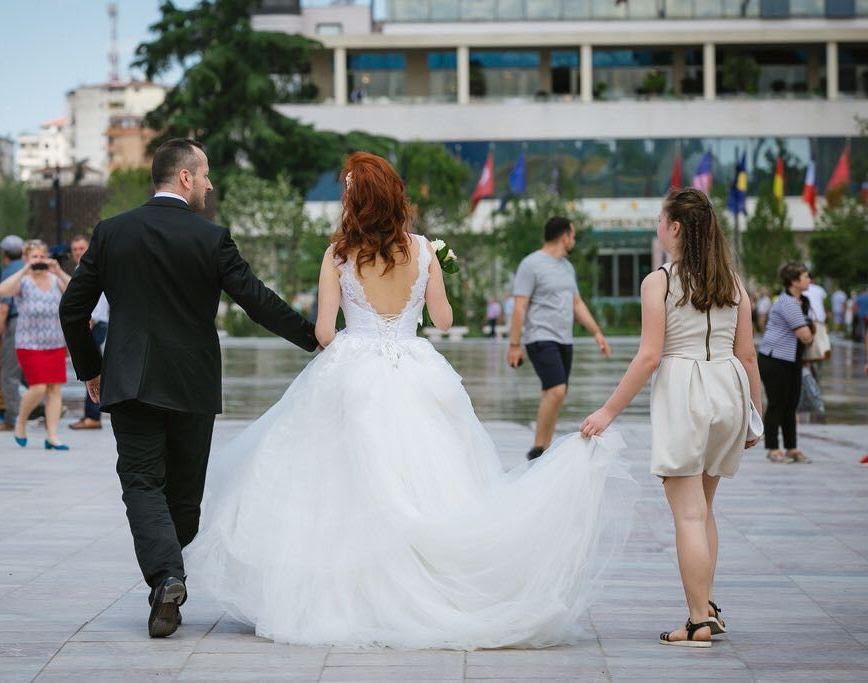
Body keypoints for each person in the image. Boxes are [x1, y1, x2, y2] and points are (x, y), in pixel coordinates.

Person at [183, 152, 638, 649]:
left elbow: (322, 332)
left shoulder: (338, 254)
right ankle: (431, 578)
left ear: (355, 200)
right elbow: (442, 321)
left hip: (352, 372)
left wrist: (360, 334)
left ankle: (356, 590)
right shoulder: (424, 250)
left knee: (340, 483)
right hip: (417, 370)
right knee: (428, 475)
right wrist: (430, 284)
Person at [59, 138, 320, 639]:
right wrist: (313, 337)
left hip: (130, 378)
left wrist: (92, 369)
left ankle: (166, 580)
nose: (209, 184)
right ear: (184, 177)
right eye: (205, 175)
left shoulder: (113, 232)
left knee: (140, 482)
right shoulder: (210, 237)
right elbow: (256, 300)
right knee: (183, 494)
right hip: (192, 381)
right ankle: (169, 580)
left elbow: (73, 308)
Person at [580, 188, 762, 648]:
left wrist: (607, 411)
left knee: (687, 514)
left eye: (661, 219)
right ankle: (707, 606)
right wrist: (753, 413)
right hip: (729, 390)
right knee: (703, 509)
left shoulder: (659, 281)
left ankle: (699, 619)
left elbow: (648, 357)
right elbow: (749, 356)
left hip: (685, 392)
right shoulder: (734, 284)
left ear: (675, 228)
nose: (657, 226)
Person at [506, 217, 611, 461]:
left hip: (565, 340)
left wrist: (597, 333)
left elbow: (577, 303)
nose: (573, 240)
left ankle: (543, 446)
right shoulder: (530, 264)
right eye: (572, 235)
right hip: (540, 337)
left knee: (554, 393)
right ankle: (538, 448)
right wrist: (514, 345)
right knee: (556, 391)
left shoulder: (567, 267)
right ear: (565, 236)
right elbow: (520, 307)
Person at [0, 239, 71, 449]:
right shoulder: (22, 281)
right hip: (29, 343)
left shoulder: (54, 277)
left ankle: (52, 436)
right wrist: (24, 271)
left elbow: (76, 290)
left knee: (54, 389)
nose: (39, 261)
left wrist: (58, 271)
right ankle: (21, 420)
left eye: (42, 257)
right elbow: (3, 290)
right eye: (34, 257)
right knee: (39, 388)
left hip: (55, 341)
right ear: (25, 258)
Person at [757, 262, 815, 464]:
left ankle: (791, 447)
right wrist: (811, 330)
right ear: (793, 281)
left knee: (791, 405)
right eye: (805, 276)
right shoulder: (788, 303)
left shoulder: (802, 302)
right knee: (777, 404)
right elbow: (805, 335)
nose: (809, 279)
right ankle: (773, 448)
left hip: (792, 359)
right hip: (775, 359)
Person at [68, 234, 110, 430]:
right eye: (75, 249)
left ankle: (93, 415)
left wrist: (91, 319)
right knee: (91, 368)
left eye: (81, 247)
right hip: (91, 322)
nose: (78, 251)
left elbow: (100, 301)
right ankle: (91, 414)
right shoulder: (81, 269)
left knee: (91, 367)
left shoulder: (93, 268)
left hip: (95, 323)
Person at [0, 235, 24, 432]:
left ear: (5, 254)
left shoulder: (8, 272)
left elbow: (3, 308)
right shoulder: (26, 268)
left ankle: (11, 418)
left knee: (8, 374)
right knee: (25, 369)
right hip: (33, 325)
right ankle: (42, 405)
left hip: (15, 323)